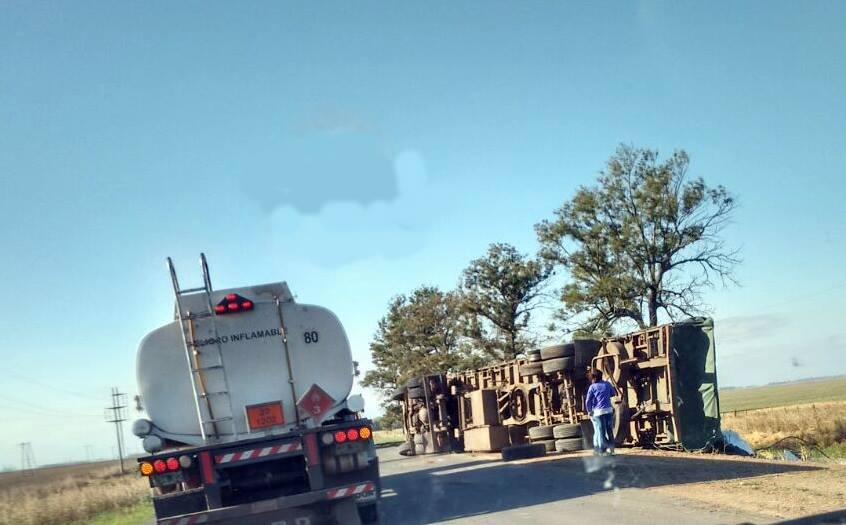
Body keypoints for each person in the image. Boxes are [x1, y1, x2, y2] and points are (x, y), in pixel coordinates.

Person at [585, 369, 617, 455]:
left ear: (593, 378)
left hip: (598, 412)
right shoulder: (607, 384)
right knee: (609, 430)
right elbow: (613, 394)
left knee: (601, 431)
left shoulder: (592, 387)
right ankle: (612, 450)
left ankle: (603, 451)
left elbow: (588, 401)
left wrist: (589, 411)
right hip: (609, 411)